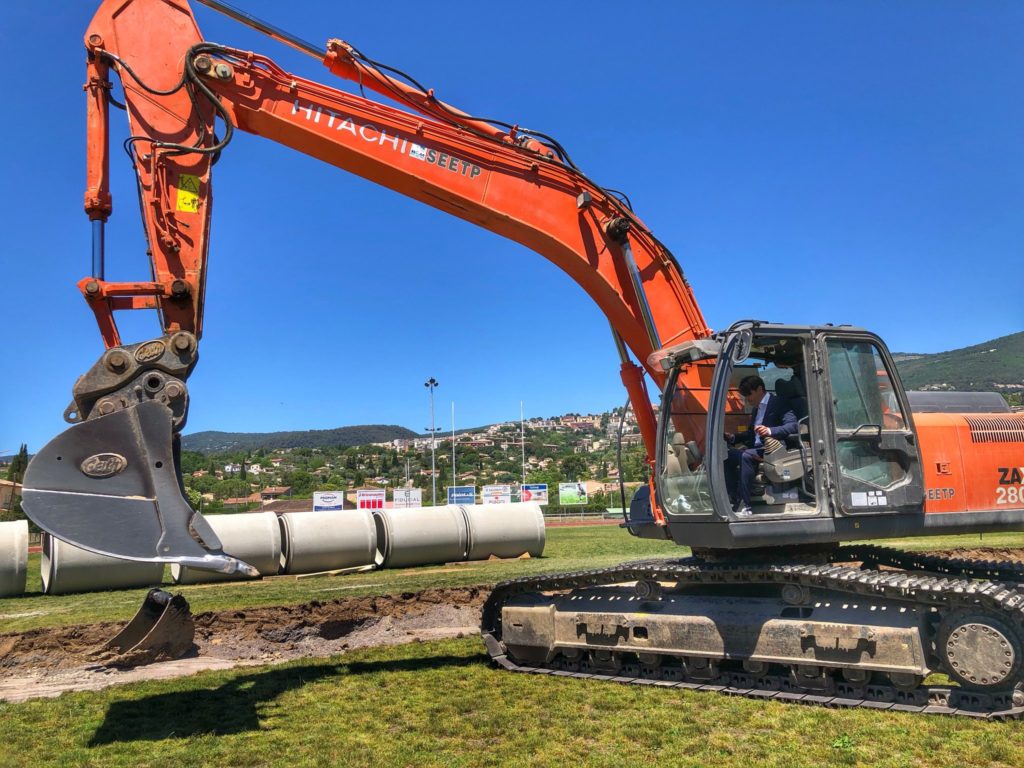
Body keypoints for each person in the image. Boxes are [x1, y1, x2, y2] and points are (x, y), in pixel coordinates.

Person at [725, 375, 798, 516]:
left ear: (759, 389)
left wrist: (770, 431)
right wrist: (733, 437)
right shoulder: (756, 409)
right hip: (756, 449)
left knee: (746, 456)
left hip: (772, 449)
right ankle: (732, 497)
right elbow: (751, 434)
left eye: (749, 394)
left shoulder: (779, 402)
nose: (747, 399)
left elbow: (793, 426)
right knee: (727, 455)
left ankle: (745, 505)